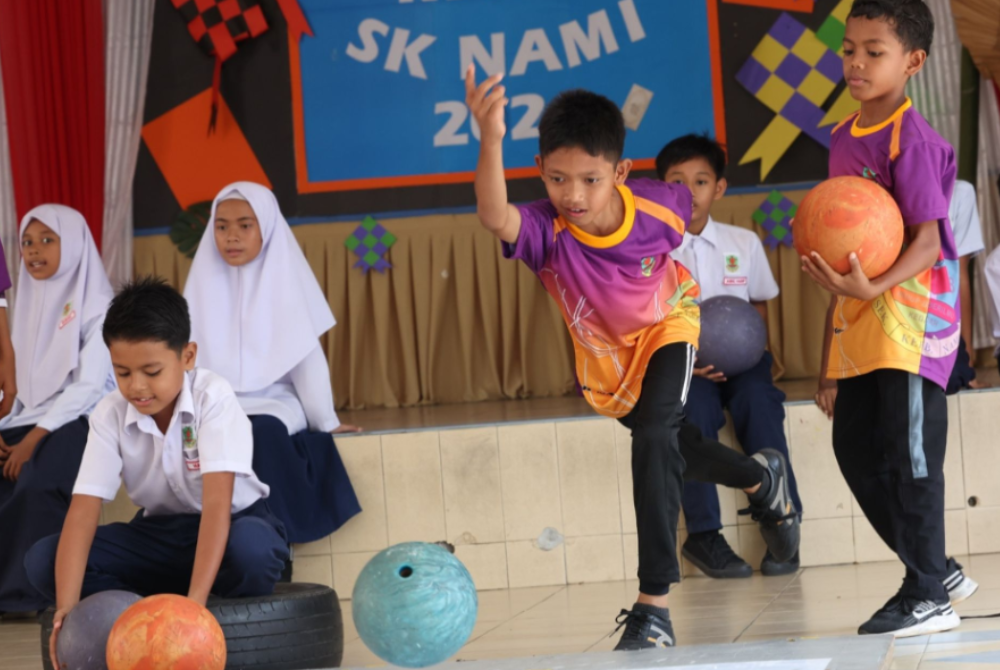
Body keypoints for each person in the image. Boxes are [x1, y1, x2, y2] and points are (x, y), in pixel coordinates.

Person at [465, 66, 800, 651]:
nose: (573, 194)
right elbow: (496, 216)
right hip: (609, 358)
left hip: (670, 322)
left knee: (653, 439)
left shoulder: (659, 207)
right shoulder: (547, 230)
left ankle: (654, 607)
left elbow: (685, 212)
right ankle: (759, 477)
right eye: (557, 178)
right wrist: (490, 139)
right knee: (668, 444)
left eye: (590, 180)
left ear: (619, 173)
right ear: (539, 172)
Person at [803, 0, 978, 638]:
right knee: (853, 449)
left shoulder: (917, 140)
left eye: (873, 52)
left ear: (913, 61)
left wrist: (871, 283)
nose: (855, 62)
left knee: (911, 458)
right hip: (863, 318)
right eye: (849, 48)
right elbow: (852, 245)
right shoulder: (844, 137)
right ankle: (936, 569)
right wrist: (830, 348)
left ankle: (927, 590)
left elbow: (929, 243)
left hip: (911, 320)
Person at [25, 278, 288, 669]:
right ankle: (150, 604)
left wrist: (192, 613)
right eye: (123, 372)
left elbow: (217, 505)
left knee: (252, 551)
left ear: (187, 356)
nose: (137, 387)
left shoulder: (213, 397)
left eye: (151, 370)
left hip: (231, 524)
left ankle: (190, 593)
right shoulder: (108, 413)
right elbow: (83, 509)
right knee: (43, 558)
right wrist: (69, 610)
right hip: (159, 536)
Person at [183, 183, 360, 553]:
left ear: (266, 226)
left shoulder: (286, 280)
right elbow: (185, 361)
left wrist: (325, 422)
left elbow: (306, 361)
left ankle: (276, 543)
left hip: (276, 400)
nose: (231, 236)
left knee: (262, 432)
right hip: (216, 399)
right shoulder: (200, 283)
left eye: (245, 225)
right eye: (222, 226)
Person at [658, 134, 803, 578]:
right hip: (686, 364)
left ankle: (783, 525)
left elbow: (757, 308)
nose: (689, 192)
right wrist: (684, 361)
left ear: (718, 188)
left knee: (760, 405)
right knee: (693, 417)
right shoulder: (654, 251)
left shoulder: (744, 243)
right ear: (662, 189)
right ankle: (704, 537)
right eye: (676, 182)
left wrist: (749, 351)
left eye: (700, 181)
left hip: (744, 363)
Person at [0, 206, 114, 614]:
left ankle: (30, 593)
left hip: (80, 420)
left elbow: (87, 388)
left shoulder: (101, 307)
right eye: (28, 242)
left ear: (75, 244)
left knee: (36, 485)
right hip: (29, 417)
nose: (34, 251)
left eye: (48, 240)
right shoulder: (24, 303)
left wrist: (33, 438)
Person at [945, 179, 986, 393]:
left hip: (936, 324)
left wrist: (966, 364)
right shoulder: (881, 188)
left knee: (952, 380)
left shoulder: (959, 192)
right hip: (890, 326)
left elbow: (959, 275)